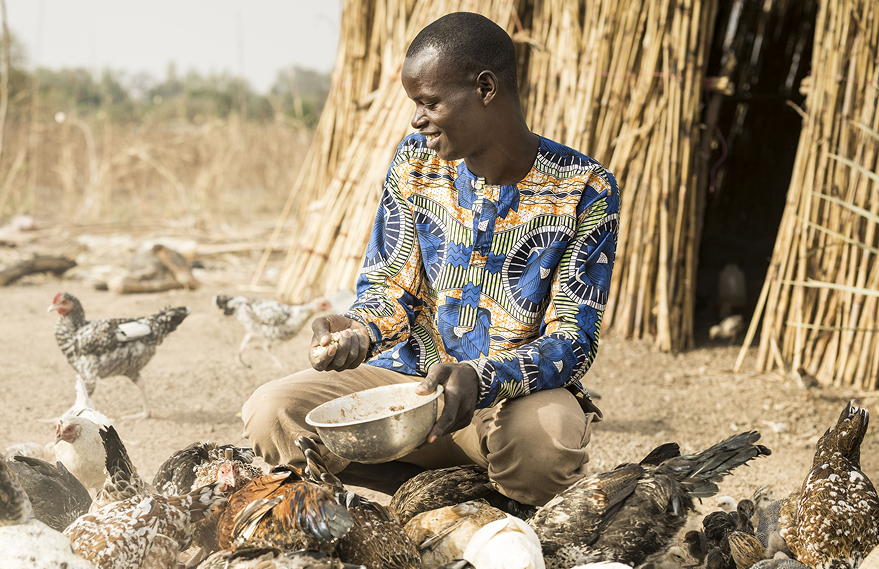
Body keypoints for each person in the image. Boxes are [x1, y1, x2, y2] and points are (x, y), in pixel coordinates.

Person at [242, 12, 618, 515]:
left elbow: (573, 339)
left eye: (429, 102)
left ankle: (511, 508)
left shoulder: (584, 188)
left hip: (506, 406)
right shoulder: (414, 163)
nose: (417, 120)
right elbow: (390, 288)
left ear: (485, 88)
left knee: (543, 445)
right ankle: (425, 495)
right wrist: (359, 332)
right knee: (272, 412)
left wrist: (481, 376)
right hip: (406, 394)